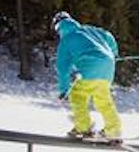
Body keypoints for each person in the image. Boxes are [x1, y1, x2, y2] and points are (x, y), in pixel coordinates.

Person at [53, 11, 123, 141]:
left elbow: (63, 68)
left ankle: (83, 128)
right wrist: (114, 53)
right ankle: (113, 130)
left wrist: (64, 90)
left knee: (77, 94)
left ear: (58, 27)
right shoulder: (90, 30)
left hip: (90, 68)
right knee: (103, 100)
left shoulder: (66, 39)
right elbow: (108, 36)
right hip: (108, 68)